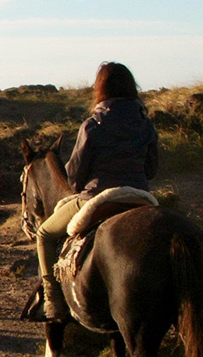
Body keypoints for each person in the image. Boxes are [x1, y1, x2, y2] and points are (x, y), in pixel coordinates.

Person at [37, 62, 159, 321]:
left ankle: (52, 300)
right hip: (139, 196)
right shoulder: (145, 124)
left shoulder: (93, 125)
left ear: (101, 88)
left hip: (98, 197)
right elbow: (151, 169)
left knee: (44, 234)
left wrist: (81, 186)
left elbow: (74, 175)